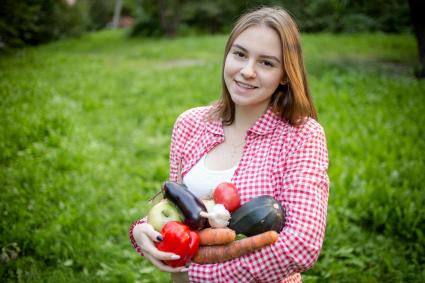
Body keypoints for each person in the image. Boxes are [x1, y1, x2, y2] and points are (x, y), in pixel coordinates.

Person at [129, 6, 329, 283]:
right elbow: (174, 205)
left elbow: (301, 244)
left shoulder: (302, 136)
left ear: (285, 74)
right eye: (240, 54)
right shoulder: (190, 124)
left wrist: (202, 272)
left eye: (266, 63)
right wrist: (142, 231)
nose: (247, 71)